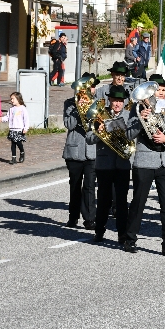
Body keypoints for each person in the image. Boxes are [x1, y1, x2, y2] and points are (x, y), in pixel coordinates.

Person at [125, 74, 165, 256]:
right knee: (139, 202)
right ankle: (130, 239)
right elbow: (129, 134)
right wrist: (141, 120)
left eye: (164, 90)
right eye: (158, 90)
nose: (161, 93)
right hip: (145, 161)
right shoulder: (138, 107)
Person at [90, 85, 132, 244]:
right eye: (115, 100)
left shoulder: (129, 115)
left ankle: (122, 234)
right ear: (109, 100)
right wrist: (98, 132)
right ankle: (99, 231)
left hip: (122, 163)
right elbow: (89, 138)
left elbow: (133, 136)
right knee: (103, 200)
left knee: (121, 201)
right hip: (104, 164)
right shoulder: (100, 114)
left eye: (120, 101)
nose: (117, 104)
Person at [62, 73, 99, 229]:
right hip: (75, 151)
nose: (92, 89)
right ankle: (73, 217)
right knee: (75, 186)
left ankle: (90, 219)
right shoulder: (69, 103)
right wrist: (78, 108)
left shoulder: (98, 104)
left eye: (93, 86)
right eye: (88, 86)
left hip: (92, 151)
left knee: (90, 186)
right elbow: (69, 124)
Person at [2, 92, 29, 164]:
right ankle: (13, 158)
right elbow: (7, 117)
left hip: (19, 129)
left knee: (18, 142)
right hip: (12, 129)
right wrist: (1, 119)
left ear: (18, 99)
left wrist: (26, 128)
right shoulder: (11, 109)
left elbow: (26, 119)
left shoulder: (23, 108)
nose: (11, 100)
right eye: (11, 99)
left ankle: (22, 152)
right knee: (13, 144)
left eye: (13, 99)